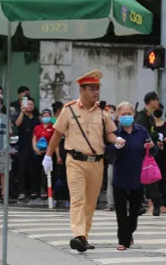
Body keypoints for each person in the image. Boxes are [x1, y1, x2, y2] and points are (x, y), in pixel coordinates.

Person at [43, 70, 120, 253]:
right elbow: (57, 134)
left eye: (98, 88)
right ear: (82, 89)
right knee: (78, 199)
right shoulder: (69, 110)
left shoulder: (103, 112)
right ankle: (78, 235)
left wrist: (116, 140)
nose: (96, 92)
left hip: (97, 163)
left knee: (91, 202)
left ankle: (84, 236)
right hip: (75, 161)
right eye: (92, 88)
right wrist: (48, 155)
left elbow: (109, 132)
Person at [106, 102, 157, 250]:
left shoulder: (141, 131)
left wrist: (152, 147)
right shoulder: (114, 133)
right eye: (123, 114)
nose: (126, 117)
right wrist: (116, 146)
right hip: (120, 176)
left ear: (134, 115)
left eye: (129, 113)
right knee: (121, 212)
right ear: (117, 116)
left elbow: (152, 152)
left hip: (137, 177)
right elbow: (107, 154)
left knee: (135, 211)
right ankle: (124, 240)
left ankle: (129, 232)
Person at [136, 92, 163, 215]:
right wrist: (159, 136)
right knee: (142, 179)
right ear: (151, 101)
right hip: (141, 153)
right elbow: (143, 133)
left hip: (148, 153)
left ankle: (156, 205)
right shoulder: (142, 116)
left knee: (151, 178)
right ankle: (139, 204)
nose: (158, 102)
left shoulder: (150, 116)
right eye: (156, 100)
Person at [15, 98, 40, 201]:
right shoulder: (22, 116)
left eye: (31, 104)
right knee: (22, 169)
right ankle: (22, 191)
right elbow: (17, 124)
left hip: (34, 147)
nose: (30, 106)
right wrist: (22, 112)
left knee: (34, 169)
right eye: (28, 104)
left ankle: (33, 190)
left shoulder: (36, 119)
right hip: (23, 146)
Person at [32, 109, 56, 200]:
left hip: (48, 153)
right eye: (44, 116)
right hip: (37, 152)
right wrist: (34, 147)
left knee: (46, 173)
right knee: (36, 171)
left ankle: (45, 190)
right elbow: (34, 138)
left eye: (48, 116)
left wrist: (48, 150)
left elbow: (54, 140)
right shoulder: (37, 127)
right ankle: (35, 190)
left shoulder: (53, 127)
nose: (46, 118)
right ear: (41, 118)